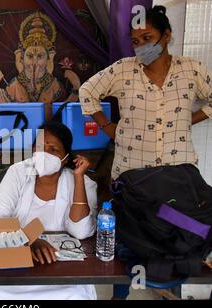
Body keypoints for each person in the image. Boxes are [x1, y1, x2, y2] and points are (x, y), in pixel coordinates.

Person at [79, 5, 212, 181]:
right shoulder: (123, 69)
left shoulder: (191, 70)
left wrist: (189, 119)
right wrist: (106, 126)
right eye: (135, 41)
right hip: (131, 170)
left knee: (174, 208)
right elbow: (87, 91)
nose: (141, 46)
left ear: (166, 35)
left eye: (147, 38)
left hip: (177, 170)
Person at [0, 121, 98, 300]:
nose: (44, 154)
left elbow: (81, 231)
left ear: (66, 158)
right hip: (17, 263)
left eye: (53, 150)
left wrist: (78, 179)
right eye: (40, 148)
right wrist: (28, 240)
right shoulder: (17, 173)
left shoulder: (83, 184)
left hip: (62, 271)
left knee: (75, 296)